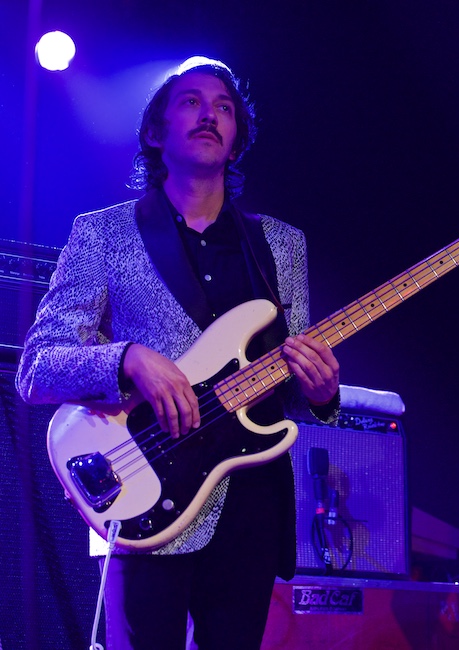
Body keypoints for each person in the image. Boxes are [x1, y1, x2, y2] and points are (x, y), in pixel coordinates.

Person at [16, 57, 340, 649]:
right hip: (144, 493)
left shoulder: (281, 245)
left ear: (237, 137)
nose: (209, 114)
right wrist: (126, 358)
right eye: (191, 101)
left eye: (223, 107)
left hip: (249, 501)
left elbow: (288, 383)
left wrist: (319, 394)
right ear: (154, 131)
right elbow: (37, 366)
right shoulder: (103, 234)